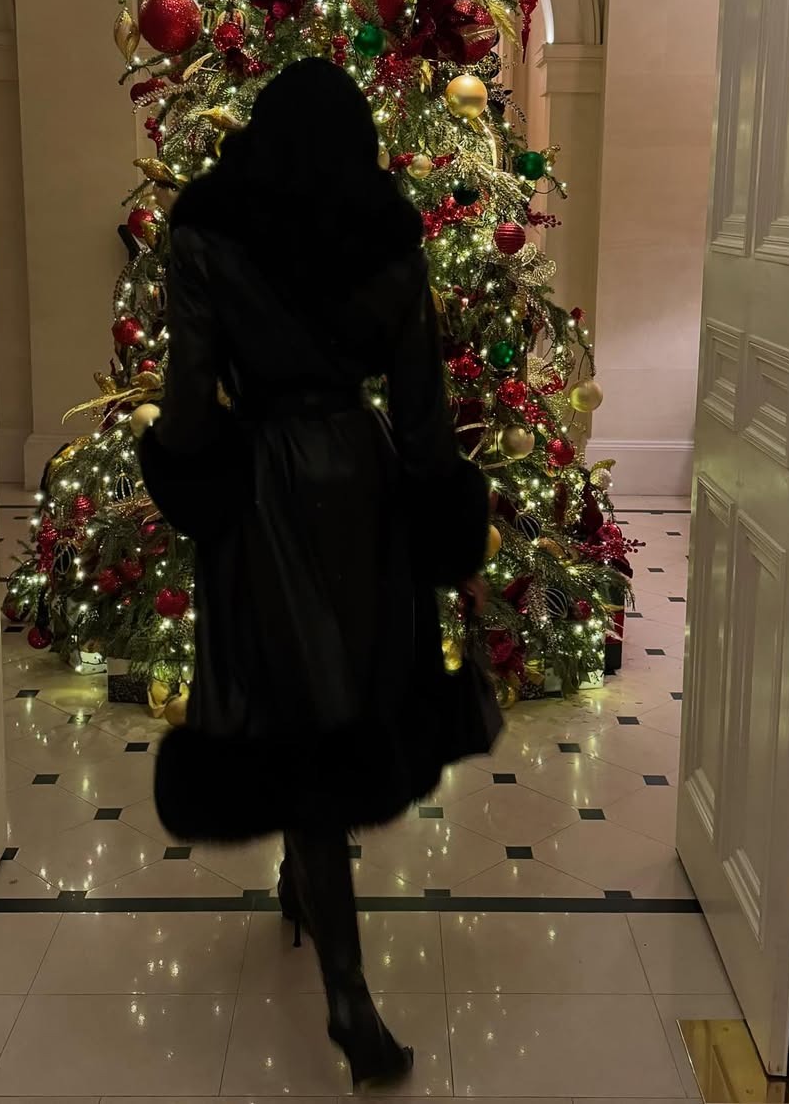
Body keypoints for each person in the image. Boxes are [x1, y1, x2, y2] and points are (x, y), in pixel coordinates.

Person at [140, 58, 490, 1086]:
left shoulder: (209, 228)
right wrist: (437, 500)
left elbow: (192, 399)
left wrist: (193, 470)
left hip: (264, 489)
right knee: (340, 704)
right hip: (364, 478)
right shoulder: (384, 229)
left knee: (298, 716)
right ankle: (312, 898)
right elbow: (423, 408)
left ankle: (346, 993)